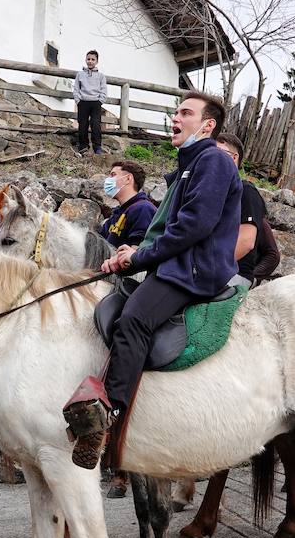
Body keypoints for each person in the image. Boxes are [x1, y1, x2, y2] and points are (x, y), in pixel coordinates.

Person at [64, 90, 242, 468]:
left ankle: (108, 418)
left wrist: (141, 257)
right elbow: (165, 231)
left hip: (193, 271)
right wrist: (130, 256)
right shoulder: (189, 166)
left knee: (133, 320)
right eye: (176, 112)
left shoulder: (213, 161)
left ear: (207, 126)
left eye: (185, 113)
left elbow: (193, 226)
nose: (175, 118)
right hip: (176, 265)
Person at [214, 134, 281, 285]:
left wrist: (251, 279)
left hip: (229, 274)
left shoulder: (246, 192)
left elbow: (270, 253)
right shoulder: (210, 195)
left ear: (234, 157)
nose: (211, 159)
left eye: (218, 153)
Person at [98, 160, 156, 248]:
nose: (107, 180)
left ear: (128, 178)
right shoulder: (117, 213)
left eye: (113, 175)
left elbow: (138, 249)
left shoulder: (143, 209)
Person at [73, 50, 107, 155]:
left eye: (93, 59)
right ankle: (83, 146)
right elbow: (76, 88)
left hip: (96, 103)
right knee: (82, 124)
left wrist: (100, 101)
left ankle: (97, 147)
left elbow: (104, 90)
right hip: (83, 102)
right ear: (85, 60)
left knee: (95, 124)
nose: (90, 61)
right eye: (88, 59)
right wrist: (78, 100)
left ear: (97, 61)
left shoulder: (101, 76)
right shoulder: (80, 74)